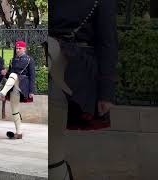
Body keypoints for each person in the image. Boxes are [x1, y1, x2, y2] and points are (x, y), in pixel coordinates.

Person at [48, 0, 118, 179]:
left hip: (75, 69)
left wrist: (106, 92)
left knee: (52, 153)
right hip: (48, 63)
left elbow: (107, 42)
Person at [0, 41, 36, 139]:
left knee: (14, 75)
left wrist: (31, 91)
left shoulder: (29, 60)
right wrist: (5, 73)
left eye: (20, 48)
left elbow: (32, 76)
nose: (18, 50)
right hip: (13, 86)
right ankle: (18, 133)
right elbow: (10, 74)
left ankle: (3, 92)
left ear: (24, 49)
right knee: (14, 110)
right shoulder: (13, 60)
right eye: (17, 48)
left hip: (23, 85)